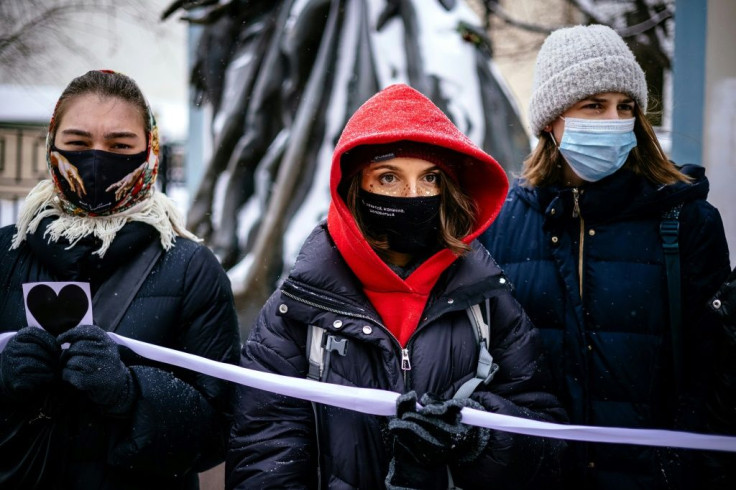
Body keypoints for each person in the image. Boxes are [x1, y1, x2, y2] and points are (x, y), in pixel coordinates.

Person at [226, 83, 567, 489]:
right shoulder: (295, 312)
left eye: (430, 178)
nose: (413, 195)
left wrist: (479, 438)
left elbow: (547, 441)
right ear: (353, 187)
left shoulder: (489, 303)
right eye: (388, 178)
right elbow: (262, 459)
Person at [479, 24, 732, 489]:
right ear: (550, 120)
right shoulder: (500, 225)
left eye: (626, 106)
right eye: (594, 105)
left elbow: (709, 370)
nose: (615, 119)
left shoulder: (685, 221)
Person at [0, 70, 241, 489]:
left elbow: (218, 433)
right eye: (77, 143)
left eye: (119, 146)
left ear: (149, 150)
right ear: (51, 145)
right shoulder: (5, 254)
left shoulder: (192, 268)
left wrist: (131, 394)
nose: (97, 159)